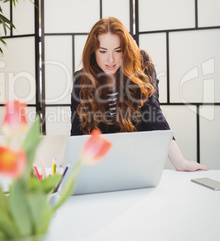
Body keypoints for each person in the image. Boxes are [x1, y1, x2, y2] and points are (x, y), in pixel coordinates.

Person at [71, 17, 207, 172]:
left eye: (118, 50)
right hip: (99, 166)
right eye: (103, 51)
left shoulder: (142, 64)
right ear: (92, 51)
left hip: (138, 162)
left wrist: (180, 162)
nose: (111, 59)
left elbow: (153, 112)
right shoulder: (81, 79)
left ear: (125, 49)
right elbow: (77, 133)